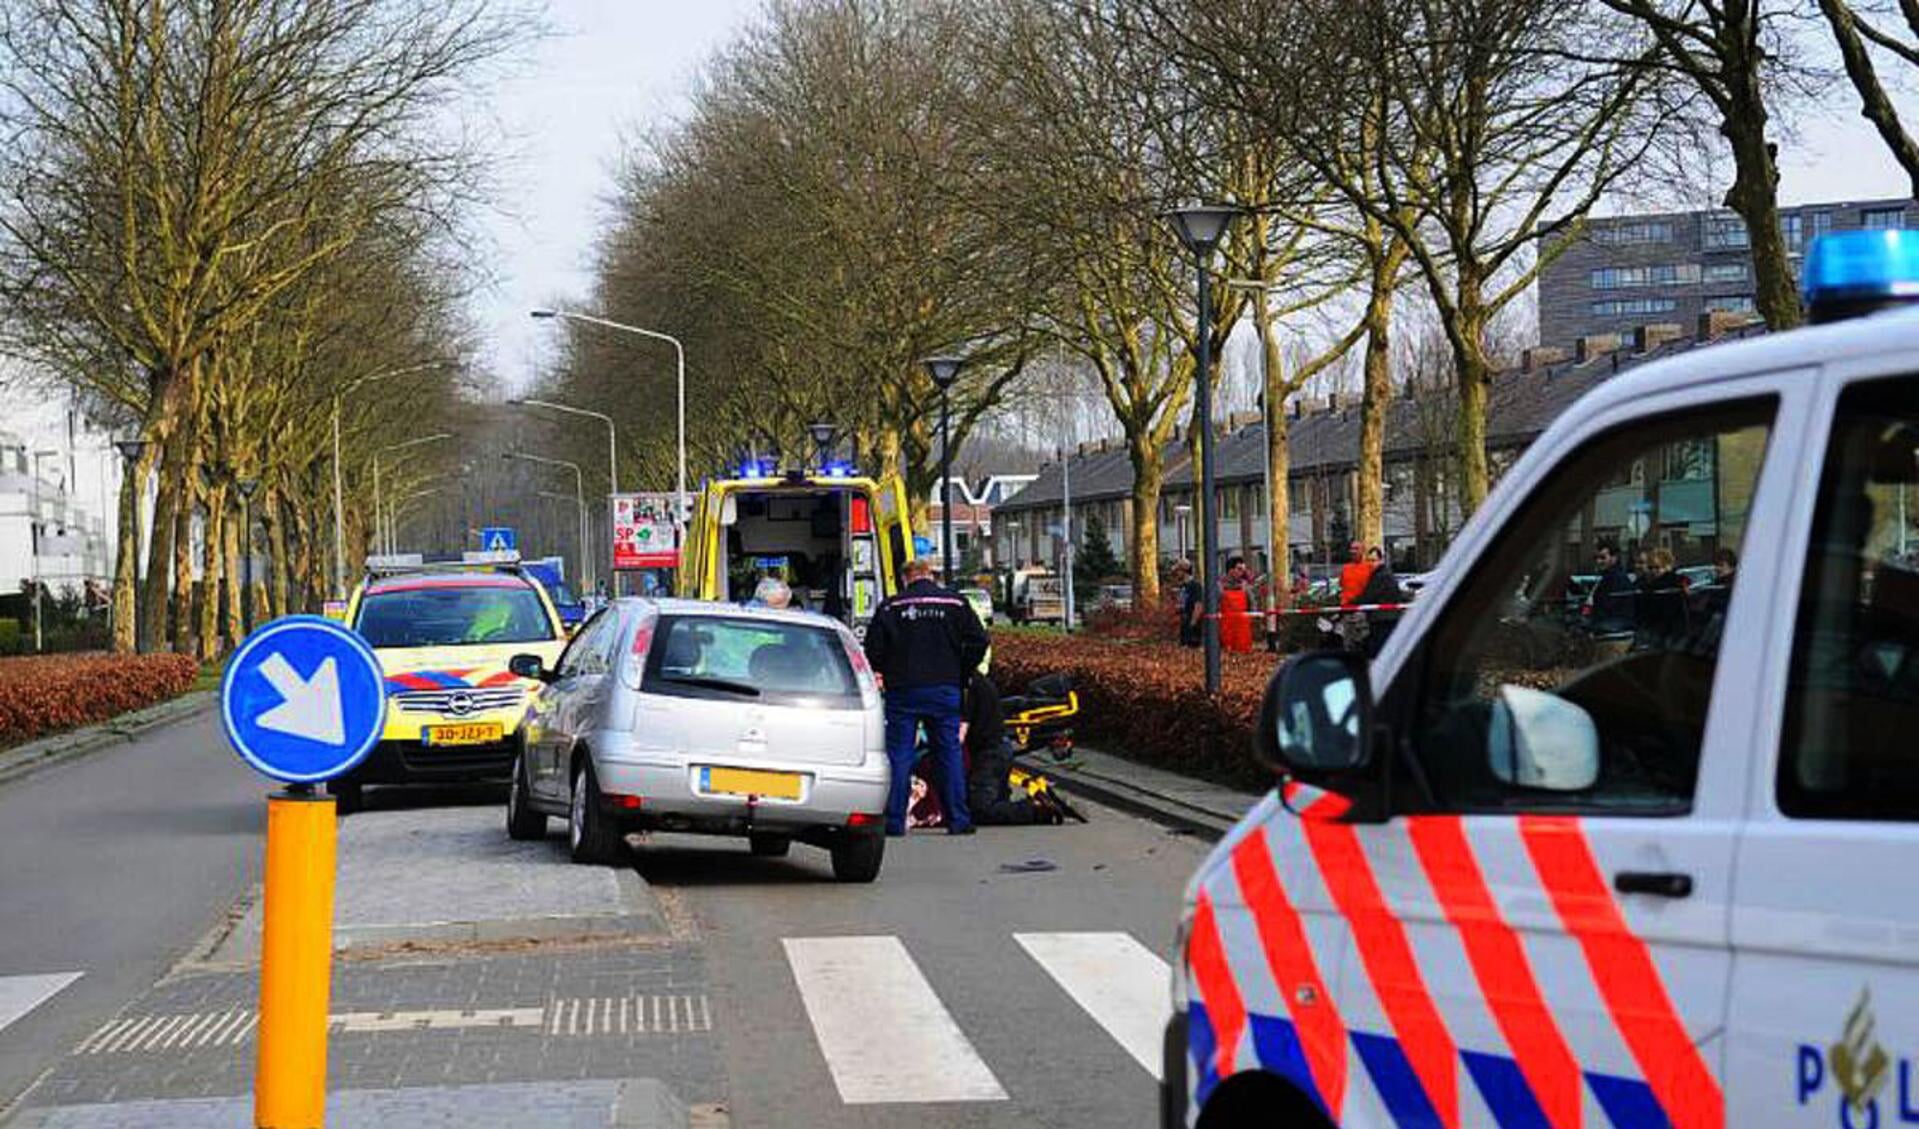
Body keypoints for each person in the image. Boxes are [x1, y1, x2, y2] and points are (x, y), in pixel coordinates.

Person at [863, 557, 990, 837]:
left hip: (903, 691)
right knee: (948, 753)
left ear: (905, 578)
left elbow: (872, 650)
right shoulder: (955, 604)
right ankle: (958, 819)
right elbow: (980, 641)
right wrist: (963, 669)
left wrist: (888, 669)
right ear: (930, 575)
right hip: (945, 688)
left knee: (900, 754)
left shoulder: (891, 606)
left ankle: (895, 822)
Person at [1635, 545, 1689, 649]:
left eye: (1658, 567)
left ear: (1668, 566)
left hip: (1667, 632)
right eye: (1651, 568)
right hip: (1662, 631)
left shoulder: (1670, 583)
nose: (1654, 571)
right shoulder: (1647, 584)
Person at [1588, 541, 1636, 636]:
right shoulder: (1606, 577)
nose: (1598, 561)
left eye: (1602, 558)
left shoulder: (1617, 578)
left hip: (1618, 621)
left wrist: (1590, 615)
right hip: (1612, 620)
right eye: (1596, 558)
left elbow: (1608, 606)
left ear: (1614, 558)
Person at [1219, 556, 1254, 653]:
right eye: (1239, 569)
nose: (1242, 572)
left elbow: (1252, 604)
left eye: (1243, 569)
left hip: (1243, 628)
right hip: (1225, 628)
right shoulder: (1219, 586)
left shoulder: (1245, 586)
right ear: (1230, 570)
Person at [1174, 559, 1202, 647]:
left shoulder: (1195, 586)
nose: (1176, 574)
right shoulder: (1182, 586)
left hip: (1193, 626)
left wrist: (1192, 624)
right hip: (1184, 624)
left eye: (1178, 571)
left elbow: (1198, 605)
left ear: (1184, 571)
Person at [1338, 541, 1374, 608]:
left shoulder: (1370, 567)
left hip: (1363, 606)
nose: (1353, 551)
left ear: (1363, 551)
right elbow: (1341, 585)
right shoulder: (1346, 568)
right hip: (1346, 606)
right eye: (1351, 549)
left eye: (1356, 549)